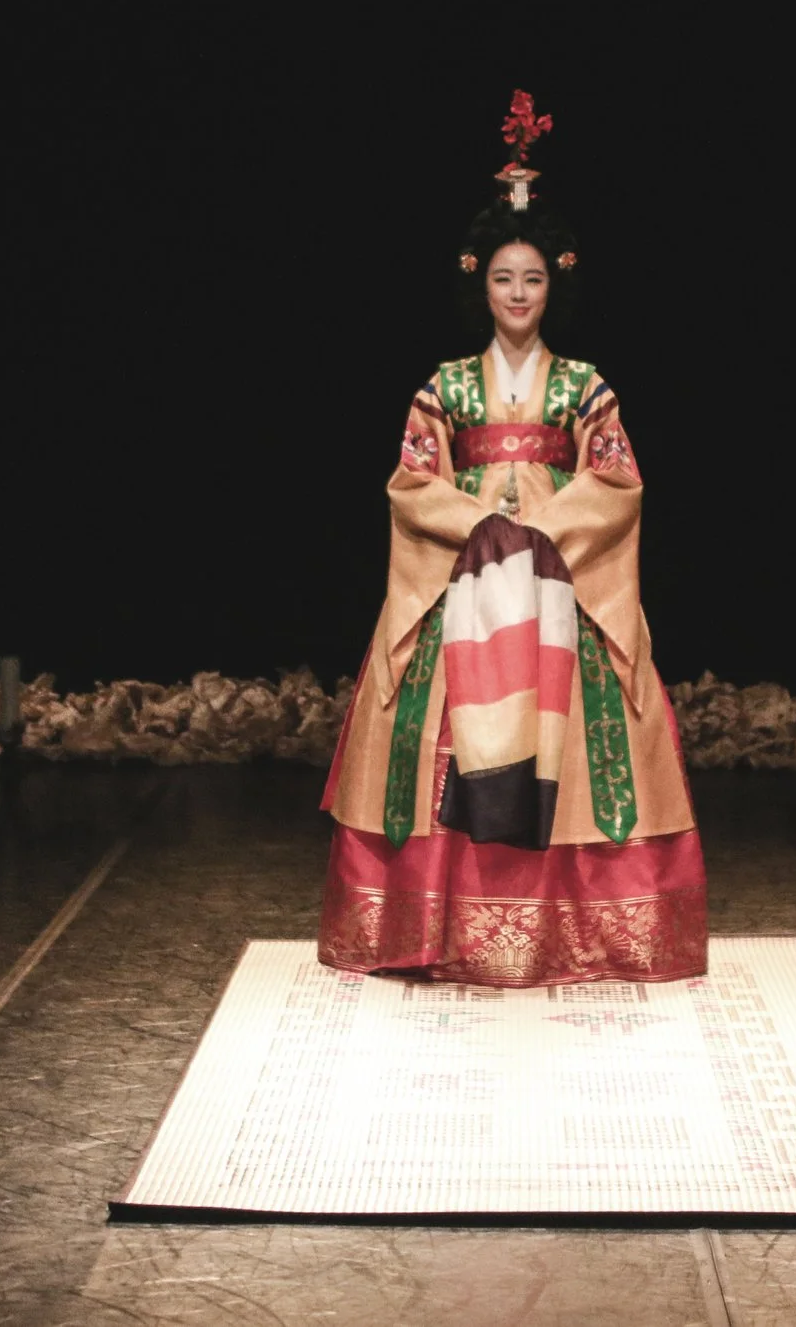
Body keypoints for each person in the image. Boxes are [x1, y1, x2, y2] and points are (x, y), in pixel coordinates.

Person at [317, 94, 708, 986]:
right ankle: (432, 921)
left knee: (584, 731)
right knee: (435, 728)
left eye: (532, 278)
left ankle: (582, 925)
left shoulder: (585, 386)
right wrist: (479, 522)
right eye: (503, 279)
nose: (519, 295)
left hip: (558, 578)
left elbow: (617, 479)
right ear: (480, 285)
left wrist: (540, 523)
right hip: (466, 578)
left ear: (553, 284)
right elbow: (411, 481)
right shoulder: (446, 386)